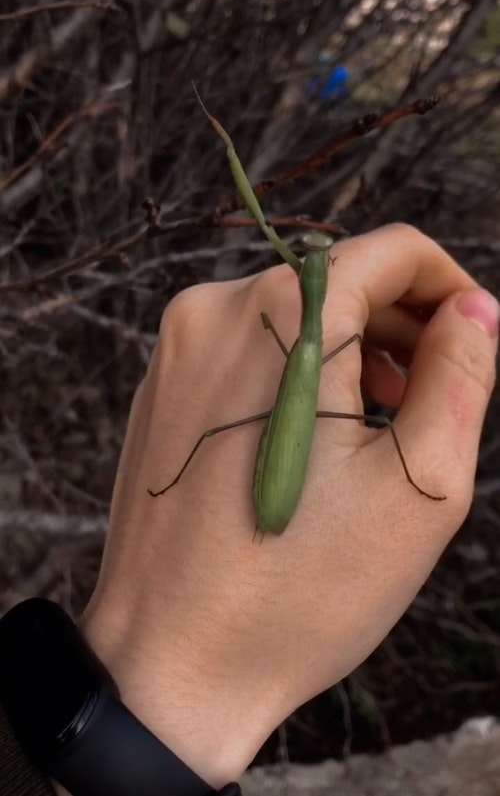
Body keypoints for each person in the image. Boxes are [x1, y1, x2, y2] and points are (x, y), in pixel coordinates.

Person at [1, 224, 498, 795]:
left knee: (228, 424)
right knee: (361, 415)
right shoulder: (314, 335)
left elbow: (267, 228)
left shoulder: (305, 336)